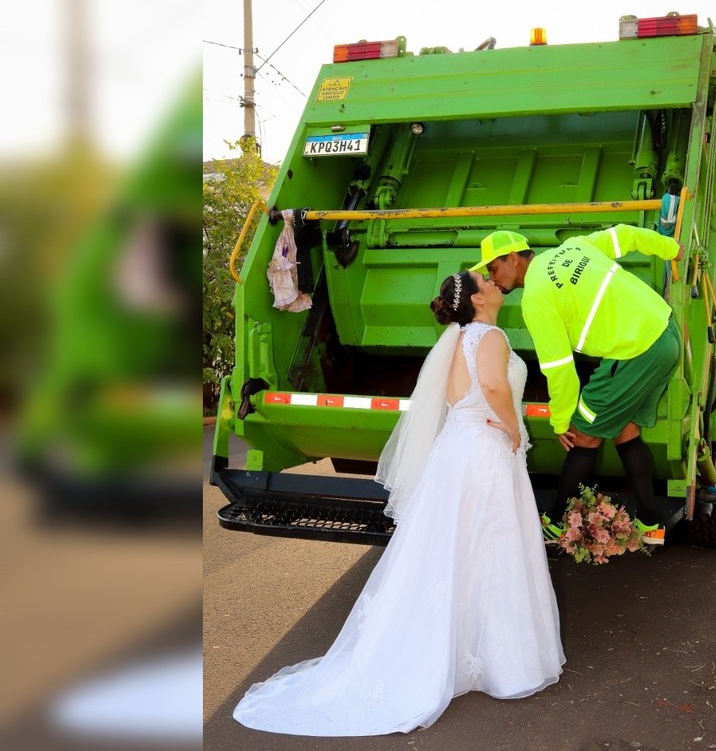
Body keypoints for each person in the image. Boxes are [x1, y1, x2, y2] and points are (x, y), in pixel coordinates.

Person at [232, 271, 565, 737]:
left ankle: (456, 650)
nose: (494, 281)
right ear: (476, 299)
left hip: (457, 450)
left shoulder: (458, 337)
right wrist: (512, 429)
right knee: (489, 545)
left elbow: (458, 398)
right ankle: (498, 658)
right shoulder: (488, 335)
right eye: (485, 281)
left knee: (452, 549)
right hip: (483, 451)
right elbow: (491, 388)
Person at [470, 225, 684, 546]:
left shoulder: (536, 298)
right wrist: (669, 248)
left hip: (636, 351)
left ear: (513, 258)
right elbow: (625, 235)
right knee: (626, 428)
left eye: (494, 268)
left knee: (583, 433)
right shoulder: (574, 246)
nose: (493, 278)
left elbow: (559, 368)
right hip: (665, 331)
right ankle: (651, 524)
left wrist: (560, 420)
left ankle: (555, 525)